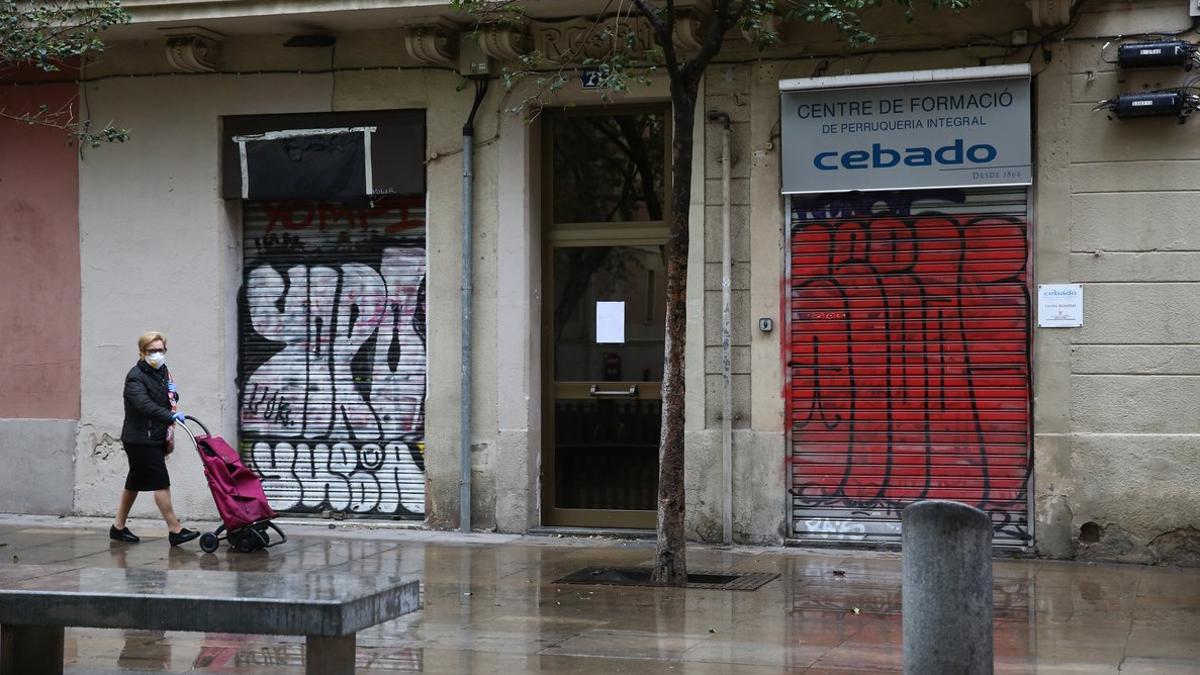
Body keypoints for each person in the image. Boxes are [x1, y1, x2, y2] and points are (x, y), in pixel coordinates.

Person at [109, 331, 200, 546]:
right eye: (152, 351)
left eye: (161, 350)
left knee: (134, 483)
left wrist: (173, 399)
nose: (157, 354)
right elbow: (143, 405)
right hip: (140, 439)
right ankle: (175, 529)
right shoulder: (135, 376)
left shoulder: (162, 372)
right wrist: (169, 415)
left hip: (153, 436)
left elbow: (167, 396)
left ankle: (118, 527)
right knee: (161, 482)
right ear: (142, 353)